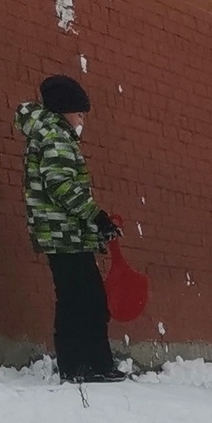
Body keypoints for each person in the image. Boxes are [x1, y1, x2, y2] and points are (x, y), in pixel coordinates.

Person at [13, 73, 125, 383]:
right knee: (81, 300)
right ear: (65, 110)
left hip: (65, 233)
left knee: (85, 298)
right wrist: (95, 215)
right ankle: (79, 367)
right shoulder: (55, 136)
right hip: (62, 235)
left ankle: (95, 364)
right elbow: (60, 185)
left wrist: (93, 224)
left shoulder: (50, 134)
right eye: (79, 113)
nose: (81, 120)